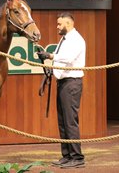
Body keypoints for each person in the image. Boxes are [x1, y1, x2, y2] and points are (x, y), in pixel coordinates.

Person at [38, 12, 86, 169]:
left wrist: (50, 55)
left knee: (70, 121)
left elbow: (68, 58)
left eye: (60, 24)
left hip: (71, 83)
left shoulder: (76, 40)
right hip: (64, 83)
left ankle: (77, 157)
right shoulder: (65, 39)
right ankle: (67, 155)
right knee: (63, 120)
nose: (57, 27)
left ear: (69, 24)